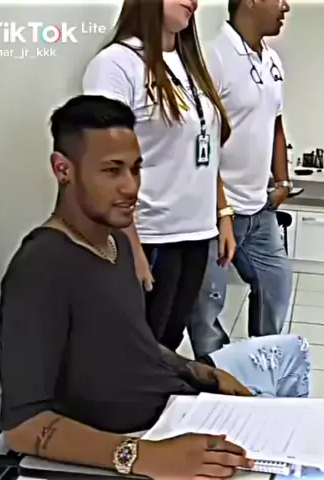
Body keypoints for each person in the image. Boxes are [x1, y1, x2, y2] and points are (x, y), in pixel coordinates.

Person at [0, 95, 324, 479]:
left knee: (290, 350)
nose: (131, 187)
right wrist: (144, 456)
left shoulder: (116, 245)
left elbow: (138, 345)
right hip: (148, 433)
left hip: (181, 402)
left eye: (136, 169)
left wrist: (201, 372)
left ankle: (284, 449)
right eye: (112, 171)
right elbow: (24, 426)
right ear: (63, 169)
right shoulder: (42, 266)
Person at [82, 0, 236, 352]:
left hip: (196, 235)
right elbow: (103, 166)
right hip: (150, 236)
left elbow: (204, 148)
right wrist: (131, 247)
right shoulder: (116, 64)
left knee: (168, 344)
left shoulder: (189, 63)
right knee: (138, 350)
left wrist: (223, 213)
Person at [188, 0, 293, 357]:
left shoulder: (271, 60)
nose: (285, 7)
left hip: (259, 208)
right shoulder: (212, 58)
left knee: (275, 286)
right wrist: (222, 211)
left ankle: (259, 366)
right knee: (207, 307)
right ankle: (217, 374)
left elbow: (275, 123)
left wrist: (282, 181)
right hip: (214, 212)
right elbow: (200, 141)